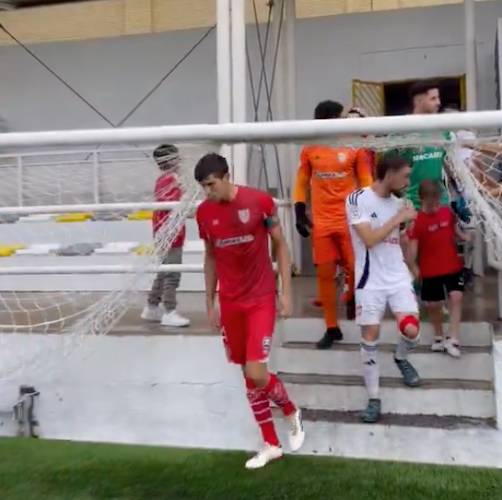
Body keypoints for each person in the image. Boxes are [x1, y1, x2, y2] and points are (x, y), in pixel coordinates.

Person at [195, 153, 305, 469]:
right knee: (247, 375)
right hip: (230, 302)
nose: (208, 192)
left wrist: (286, 292)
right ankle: (271, 443)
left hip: (260, 298)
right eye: (203, 187)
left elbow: (281, 245)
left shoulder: (259, 202)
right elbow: (211, 257)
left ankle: (290, 410)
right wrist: (209, 302)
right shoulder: (204, 213)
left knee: (256, 372)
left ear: (227, 176)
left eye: (211, 184)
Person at [346, 155, 420, 424]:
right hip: (370, 279)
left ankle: (401, 358)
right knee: (371, 336)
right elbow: (368, 239)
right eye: (405, 175)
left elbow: (399, 239)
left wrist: (412, 263)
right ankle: (374, 398)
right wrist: (399, 217)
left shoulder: (400, 203)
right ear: (389, 172)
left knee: (411, 329)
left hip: (397, 274)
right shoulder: (357, 199)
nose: (408, 181)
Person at [294, 100, 373, 349]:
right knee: (325, 274)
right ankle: (331, 327)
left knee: (355, 268)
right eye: (339, 116)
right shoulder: (310, 148)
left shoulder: (354, 147)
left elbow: (366, 180)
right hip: (323, 222)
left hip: (350, 219)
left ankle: (356, 306)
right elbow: (302, 180)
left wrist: (371, 211)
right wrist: (298, 209)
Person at [407, 180, 469, 358]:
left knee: (456, 296)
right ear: (422, 199)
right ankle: (438, 335)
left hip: (452, 266)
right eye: (430, 203)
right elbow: (412, 249)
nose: (434, 206)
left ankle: (454, 338)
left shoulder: (447, 213)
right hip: (430, 269)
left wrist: (464, 237)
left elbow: (454, 230)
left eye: (437, 201)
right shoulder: (417, 221)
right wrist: (413, 267)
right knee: (434, 305)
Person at [140, 144, 190, 327]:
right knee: (172, 274)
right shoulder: (169, 180)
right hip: (169, 235)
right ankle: (169, 311)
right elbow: (172, 207)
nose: (180, 160)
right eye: (177, 157)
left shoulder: (167, 179)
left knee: (163, 272)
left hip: (167, 233)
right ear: (171, 160)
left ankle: (152, 306)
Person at [396, 80, 451, 210]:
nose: (439, 103)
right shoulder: (401, 130)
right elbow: (391, 169)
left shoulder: (443, 129)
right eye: (433, 98)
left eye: (438, 98)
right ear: (419, 101)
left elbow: (448, 165)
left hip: (440, 202)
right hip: (414, 204)